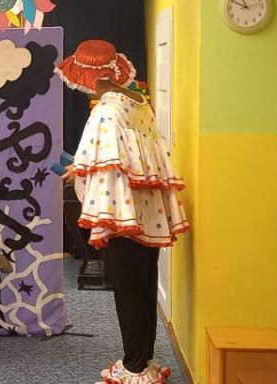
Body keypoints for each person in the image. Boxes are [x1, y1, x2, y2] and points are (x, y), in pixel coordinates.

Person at [56, 40, 190, 384]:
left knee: (128, 291)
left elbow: (104, 163)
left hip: (120, 212)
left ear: (92, 76)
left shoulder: (105, 111)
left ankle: (134, 367)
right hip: (149, 213)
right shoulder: (137, 103)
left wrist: (77, 172)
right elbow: (135, 158)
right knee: (144, 288)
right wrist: (81, 167)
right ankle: (142, 357)